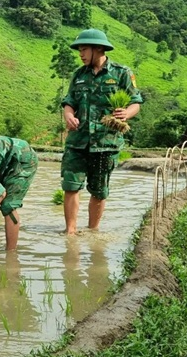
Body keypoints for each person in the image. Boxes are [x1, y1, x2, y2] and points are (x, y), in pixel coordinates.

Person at [61, 29, 142, 235]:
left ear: (99, 49)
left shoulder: (122, 73)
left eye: (84, 49)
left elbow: (136, 102)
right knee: (70, 185)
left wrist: (126, 113)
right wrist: (68, 115)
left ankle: (92, 231)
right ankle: (70, 233)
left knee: (99, 190)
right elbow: (68, 102)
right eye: (79, 50)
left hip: (106, 143)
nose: (81, 54)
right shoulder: (79, 75)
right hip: (77, 141)